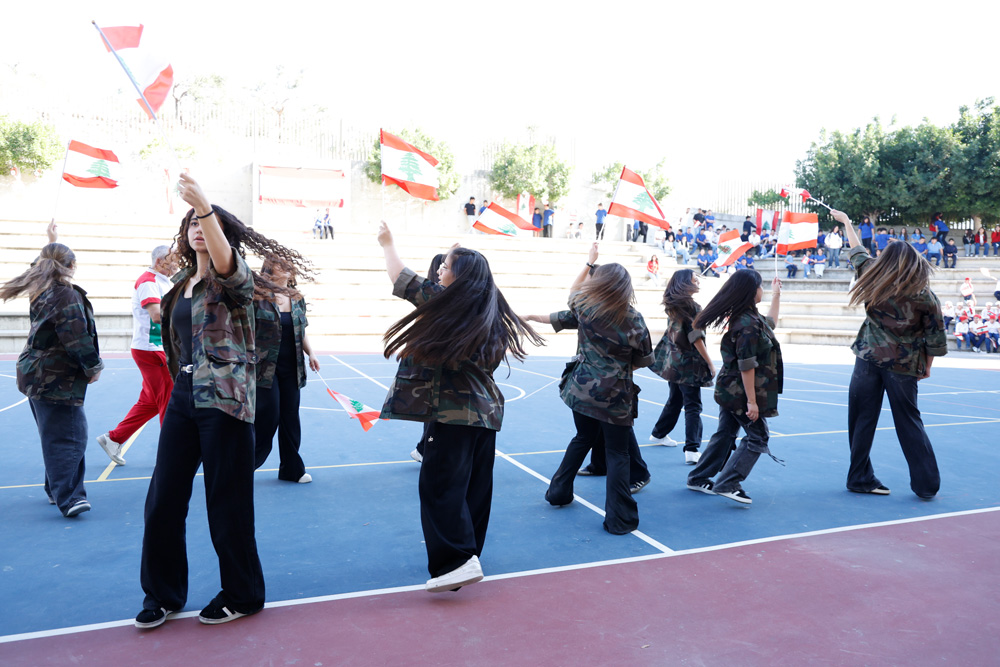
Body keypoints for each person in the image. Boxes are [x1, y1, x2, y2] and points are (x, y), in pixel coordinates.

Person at [136, 173, 305, 629]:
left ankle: (243, 594)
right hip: (184, 395)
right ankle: (163, 594)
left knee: (227, 502)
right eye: (191, 221)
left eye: (205, 222)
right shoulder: (180, 284)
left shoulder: (236, 280)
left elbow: (229, 266)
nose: (197, 227)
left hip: (226, 400)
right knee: (163, 498)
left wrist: (205, 205)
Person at [377, 222, 542, 592]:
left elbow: (400, 276)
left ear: (461, 276)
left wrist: (387, 243)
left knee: (439, 487)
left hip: (452, 413)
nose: (440, 270)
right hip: (486, 414)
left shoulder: (447, 305)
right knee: (473, 489)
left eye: (446, 266)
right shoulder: (490, 312)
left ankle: (456, 560)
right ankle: (469, 556)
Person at [526, 244, 653, 533]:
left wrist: (589, 263)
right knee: (618, 454)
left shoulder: (586, 308)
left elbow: (573, 293)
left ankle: (558, 492)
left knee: (582, 437)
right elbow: (644, 360)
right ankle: (619, 519)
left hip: (581, 390)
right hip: (616, 396)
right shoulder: (634, 318)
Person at [833, 208, 945, 500]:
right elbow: (935, 336)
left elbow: (857, 251)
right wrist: (927, 366)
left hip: (867, 358)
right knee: (909, 421)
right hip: (903, 364)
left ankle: (859, 477)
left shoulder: (872, 277)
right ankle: (926, 484)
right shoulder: (925, 295)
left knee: (861, 420)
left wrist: (847, 222)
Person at [2, 222, 103, 518]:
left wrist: (51, 240)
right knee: (69, 437)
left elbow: (41, 265)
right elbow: (76, 336)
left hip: (36, 375)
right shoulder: (64, 294)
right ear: (71, 266)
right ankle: (69, 497)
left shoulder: (41, 288)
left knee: (55, 434)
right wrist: (93, 366)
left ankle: (55, 488)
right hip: (56, 378)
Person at [686, 270, 784, 505]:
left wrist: (776, 295)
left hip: (730, 389)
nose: (762, 290)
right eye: (761, 286)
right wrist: (752, 402)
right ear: (751, 291)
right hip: (738, 392)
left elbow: (771, 323)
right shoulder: (747, 324)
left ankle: (698, 477)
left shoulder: (751, 318)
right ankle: (728, 482)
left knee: (726, 433)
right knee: (758, 436)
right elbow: (746, 365)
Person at [96, 246, 179, 466]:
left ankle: (114, 439)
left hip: (156, 348)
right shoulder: (148, 281)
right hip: (152, 349)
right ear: (160, 261)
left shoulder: (163, 281)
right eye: (173, 260)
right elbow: (156, 315)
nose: (177, 264)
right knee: (169, 400)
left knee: (150, 401)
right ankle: (171, 455)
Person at [253, 258, 320, 482]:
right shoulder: (258, 297)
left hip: (292, 367)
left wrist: (311, 353)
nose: (287, 268)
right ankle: (244, 466)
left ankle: (291, 470)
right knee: (268, 417)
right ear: (269, 269)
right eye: (281, 265)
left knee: (291, 418)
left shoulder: (297, 298)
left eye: (288, 265)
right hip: (265, 368)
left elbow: (302, 330)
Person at [648, 270, 715, 464]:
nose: (698, 282)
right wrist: (709, 362)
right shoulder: (692, 307)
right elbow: (696, 337)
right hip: (689, 363)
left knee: (675, 399)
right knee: (693, 405)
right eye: (695, 280)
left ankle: (659, 433)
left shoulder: (674, 305)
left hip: (673, 362)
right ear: (686, 283)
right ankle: (692, 449)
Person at [409, 253, 447, 464]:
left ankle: (425, 448)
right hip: (434, 364)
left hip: (432, 362)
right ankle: (424, 448)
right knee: (434, 414)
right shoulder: (435, 297)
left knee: (434, 412)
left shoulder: (436, 297)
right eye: (443, 266)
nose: (442, 271)